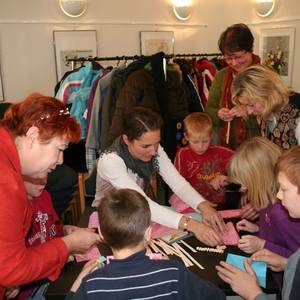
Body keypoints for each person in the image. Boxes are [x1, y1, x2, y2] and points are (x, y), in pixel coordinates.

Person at [0, 93, 100, 299]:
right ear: (33, 136)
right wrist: (68, 245)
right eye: (59, 149)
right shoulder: (6, 183)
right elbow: (13, 270)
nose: (61, 160)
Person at [92, 106, 226, 247]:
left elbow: (177, 182)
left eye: (157, 144)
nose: (153, 151)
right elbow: (141, 203)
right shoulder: (110, 160)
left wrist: (203, 205)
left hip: (138, 215)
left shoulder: (153, 147)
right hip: (111, 219)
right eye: (146, 146)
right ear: (126, 140)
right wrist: (191, 224)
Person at [66, 188, 226, 300]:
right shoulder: (173, 273)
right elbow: (217, 296)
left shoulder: (92, 284)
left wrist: (76, 287)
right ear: (148, 233)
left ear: (101, 233)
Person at [215, 145, 300, 300]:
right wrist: (257, 228)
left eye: (245, 184)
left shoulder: (283, 212)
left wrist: (263, 245)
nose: (243, 189)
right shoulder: (271, 205)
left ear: (257, 179)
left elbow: (295, 257)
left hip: (281, 285)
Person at [206, 23, 260, 149]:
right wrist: (219, 113)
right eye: (229, 58)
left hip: (255, 147)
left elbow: (273, 112)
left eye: (238, 57)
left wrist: (249, 111)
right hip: (224, 145)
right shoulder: (221, 76)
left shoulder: (265, 75)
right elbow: (209, 110)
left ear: (250, 49)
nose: (234, 63)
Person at [169, 112, 234, 212]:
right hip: (193, 205)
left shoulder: (222, 152)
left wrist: (228, 179)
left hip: (220, 205)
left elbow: (245, 167)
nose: (200, 146)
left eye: (205, 141)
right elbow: (178, 183)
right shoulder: (183, 154)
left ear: (211, 136)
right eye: (195, 142)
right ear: (186, 137)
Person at [231, 64, 300, 150]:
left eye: (251, 105)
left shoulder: (297, 115)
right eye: (245, 105)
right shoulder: (266, 107)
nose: (249, 111)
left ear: (269, 93)